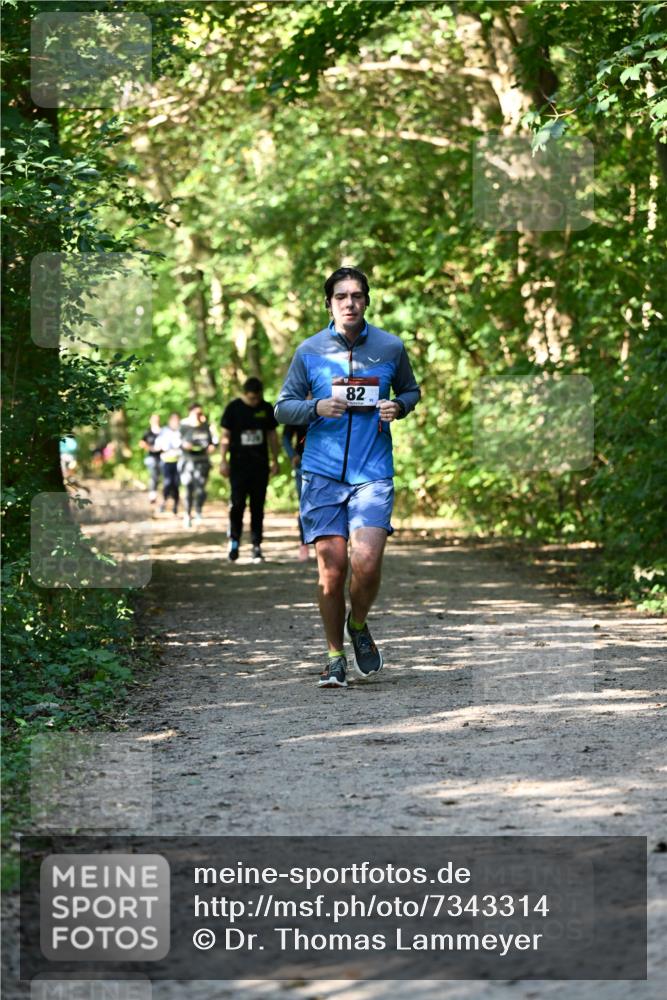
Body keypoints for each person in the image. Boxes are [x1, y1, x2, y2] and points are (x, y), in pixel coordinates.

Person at [274, 266, 420, 689]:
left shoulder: (390, 348)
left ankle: (358, 624)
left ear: (367, 301)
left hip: (372, 471)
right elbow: (283, 407)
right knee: (332, 570)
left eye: (357, 295)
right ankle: (334, 656)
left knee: (367, 562)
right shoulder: (310, 350)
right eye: (342, 296)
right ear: (329, 303)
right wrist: (315, 407)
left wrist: (400, 407)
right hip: (321, 472)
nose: (350, 303)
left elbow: (410, 390)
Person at [220, 377, 279, 563]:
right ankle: (234, 541)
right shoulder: (233, 408)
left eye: (257, 398)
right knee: (237, 504)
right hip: (238, 465)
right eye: (251, 398)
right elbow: (225, 436)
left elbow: (272, 435)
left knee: (257, 506)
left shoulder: (266, 408)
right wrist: (223, 460)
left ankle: (256, 545)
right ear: (244, 394)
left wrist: (275, 459)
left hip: (260, 466)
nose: (255, 402)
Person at [179, 403, 215, 528]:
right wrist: (183, 445)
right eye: (197, 413)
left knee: (200, 489)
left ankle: (198, 510)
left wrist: (212, 447)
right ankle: (187, 514)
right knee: (188, 488)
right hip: (187, 461)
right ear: (190, 413)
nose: (199, 416)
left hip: (203, 461)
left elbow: (214, 441)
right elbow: (176, 441)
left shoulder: (206, 425)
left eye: (201, 413)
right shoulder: (183, 425)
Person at [282, 422, 309, 561]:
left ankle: (324, 545)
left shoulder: (333, 403)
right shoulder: (299, 407)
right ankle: (304, 543)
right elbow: (285, 437)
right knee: (304, 505)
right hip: (303, 464)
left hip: (330, 463)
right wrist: (292, 455)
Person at [154, 412, 182, 514]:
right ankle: (163, 503)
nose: (175, 422)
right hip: (166, 461)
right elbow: (158, 444)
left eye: (177, 420)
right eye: (173, 420)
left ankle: (175, 505)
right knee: (167, 483)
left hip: (178, 461)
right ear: (170, 421)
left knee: (176, 484)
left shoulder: (181, 431)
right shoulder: (164, 431)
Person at [139, 414, 162, 503]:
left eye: (157, 420)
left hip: (163, 456)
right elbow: (141, 443)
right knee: (154, 474)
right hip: (151, 456)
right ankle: (152, 493)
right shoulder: (147, 432)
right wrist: (150, 448)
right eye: (154, 420)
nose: (156, 421)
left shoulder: (163, 431)